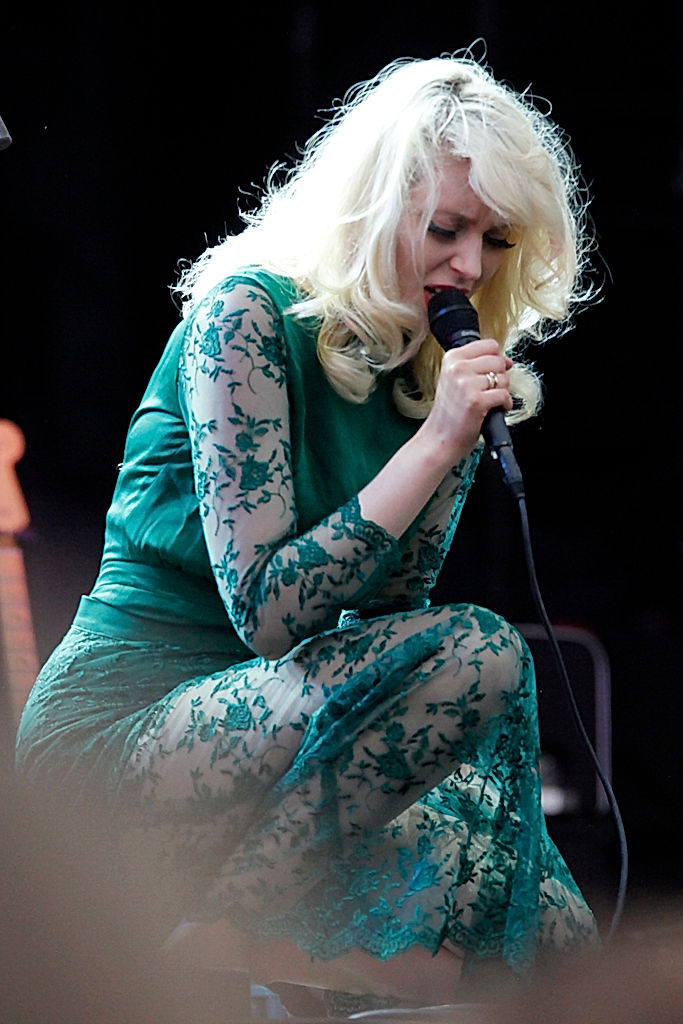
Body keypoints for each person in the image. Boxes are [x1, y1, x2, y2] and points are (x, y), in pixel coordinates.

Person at [15, 54, 598, 1005]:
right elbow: (271, 613)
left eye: (495, 240)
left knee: (553, 931)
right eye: (445, 229)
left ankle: (256, 955)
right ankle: (215, 941)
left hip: (294, 733)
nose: (469, 266)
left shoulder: (427, 364)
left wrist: (443, 439)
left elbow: (387, 618)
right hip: (129, 733)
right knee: (481, 651)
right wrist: (437, 442)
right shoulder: (245, 313)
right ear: (372, 208)